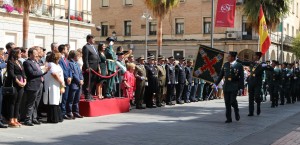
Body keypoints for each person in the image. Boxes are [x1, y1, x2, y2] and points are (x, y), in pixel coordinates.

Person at [23, 48, 49, 126]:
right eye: (35, 54)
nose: (37, 55)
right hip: (32, 84)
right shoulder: (27, 62)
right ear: (30, 54)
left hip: (40, 83)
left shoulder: (36, 62)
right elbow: (32, 73)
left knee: (36, 103)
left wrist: (46, 70)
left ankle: (34, 118)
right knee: (31, 103)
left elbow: (40, 73)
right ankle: (27, 119)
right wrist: (43, 71)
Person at [215, 51, 244, 123]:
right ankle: (228, 118)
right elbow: (221, 75)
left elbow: (242, 77)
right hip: (226, 85)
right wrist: (215, 84)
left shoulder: (239, 65)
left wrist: (241, 87)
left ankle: (236, 110)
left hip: (234, 85)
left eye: (229, 56)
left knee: (232, 100)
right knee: (227, 102)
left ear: (233, 57)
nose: (227, 57)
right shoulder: (225, 65)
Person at [238, 52, 267, 116]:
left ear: (258, 57)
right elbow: (242, 62)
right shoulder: (251, 63)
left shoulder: (262, 64)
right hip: (251, 82)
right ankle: (251, 112)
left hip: (257, 83)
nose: (253, 57)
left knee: (257, 96)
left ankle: (258, 105)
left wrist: (261, 65)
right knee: (250, 98)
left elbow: (267, 67)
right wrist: (236, 58)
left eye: (254, 56)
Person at [5, 47, 27, 127]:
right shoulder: (10, 62)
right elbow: (11, 74)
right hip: (14, 84)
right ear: (15, 53)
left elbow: (23, 73)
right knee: (12, 102)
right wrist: (18, 81)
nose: (21, 54)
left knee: (18, 102)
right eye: (20, 52)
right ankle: (11, 119)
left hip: (21, 83)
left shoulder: (20, 62)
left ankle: (16, 119)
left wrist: (24, 81)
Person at [43, 52, 65, 123]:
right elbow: (54, 74)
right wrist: (61, 81)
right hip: (52, 85)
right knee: (52, 101)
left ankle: (57, 117)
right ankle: (52, 118)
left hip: (56, 85)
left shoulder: (57, 65)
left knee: (56, 101)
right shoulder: (51, 64)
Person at [82, 35, 99, 100]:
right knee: (88, 81)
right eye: (93, 38)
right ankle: (87, 94)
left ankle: (90, 93)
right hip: (90, 67)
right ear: (89, 39)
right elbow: (85, 58)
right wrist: (87, 67)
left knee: (92, 81)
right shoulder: (86, 47)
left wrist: (98, 67)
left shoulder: (94, 47)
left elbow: (97, 57)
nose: (94, 40)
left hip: (95, 67)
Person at [67, 50, 84, 119]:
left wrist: (82, 79)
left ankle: (76, 112)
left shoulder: (76, 63)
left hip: (79, 84)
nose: (78, 57)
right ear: (74, 56)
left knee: (77, 99)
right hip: (74, 84)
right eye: (77, 56)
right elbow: (73, 74)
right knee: (71, 99)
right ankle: (69, 112)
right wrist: (78, 80)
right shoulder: (70, 63)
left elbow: (80, 73)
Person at [58, 44, 72, 119]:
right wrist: (66, 77)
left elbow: (69, 69)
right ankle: (62, 112)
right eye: (66, 49)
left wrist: (70, 77)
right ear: (63, 50)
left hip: (68, 80)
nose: (67, 50)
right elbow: (61, 69)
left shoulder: (66, 59)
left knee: (66, 97)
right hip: (64, 80)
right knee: (63, 97)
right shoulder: (60, 59)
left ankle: (65, 111)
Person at [0, 48, 7, 128]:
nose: (3, 56)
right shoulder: (2, 63)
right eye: (2, 54)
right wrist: (5, 62)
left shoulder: (2, 61)